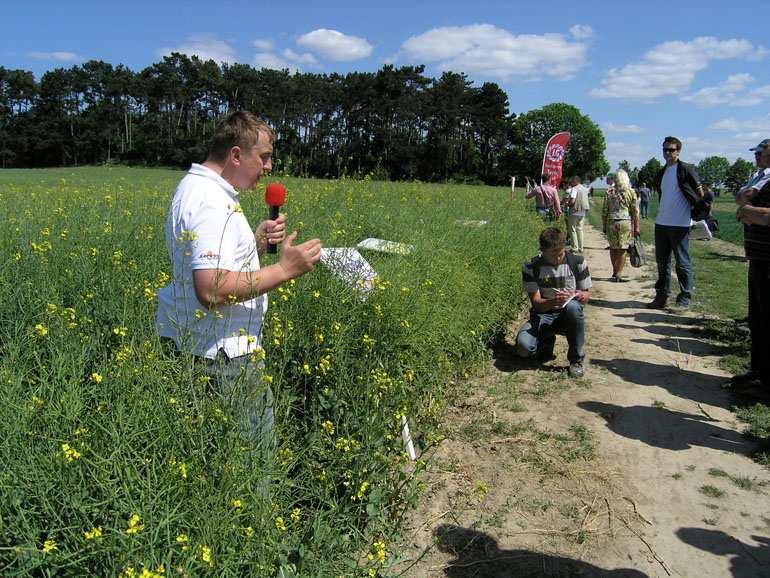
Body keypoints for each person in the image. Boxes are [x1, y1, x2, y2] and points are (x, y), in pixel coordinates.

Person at [155, 111, 322, 471]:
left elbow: (209, 267)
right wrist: (284, 269)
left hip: (196, 346)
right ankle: (256, 523)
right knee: (251, 466)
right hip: (223, 359)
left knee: (212, 463)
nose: (269, 167)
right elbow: (212, 290)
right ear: (235, 155)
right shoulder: (212, 203)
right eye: (263, 156)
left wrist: (254, 245)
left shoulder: (196, 188)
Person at [515, 228, 592, 378]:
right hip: (542, 315)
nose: (557, 259)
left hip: (569, 315)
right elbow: (536, 303)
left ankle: (576, 360)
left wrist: (582, 296)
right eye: (553, 255)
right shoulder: (531, 267)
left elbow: (587, 294)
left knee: (574, 307)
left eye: (561, 254)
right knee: (524, 348)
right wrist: (553, 301)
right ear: (542, 250)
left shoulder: (578, 262)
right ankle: (545, 342)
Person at [647, 136, 703, 309]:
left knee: (682, 262)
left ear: (678, 151)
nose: (667, 153)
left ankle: (684, 297)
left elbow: (701, 193)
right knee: (662, 263)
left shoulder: (686, 169)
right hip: (662, 223)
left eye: (671, 150)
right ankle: (661, 296)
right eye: (665, 149)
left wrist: (701, 215)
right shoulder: (662, 172)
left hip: (680, 224)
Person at [732, 138, 770, 391]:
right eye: (755, 153)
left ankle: (765, 380)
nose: (756, 156)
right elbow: (740, 198)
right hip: (758, 256)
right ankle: (757, 371)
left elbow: (766, 216)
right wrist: (748, 208)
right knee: (757, 318)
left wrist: (748, 212)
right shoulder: (758, 177)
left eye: (761, 152)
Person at [601, 169, 639, 282]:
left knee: (613, 247)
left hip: (611, 221)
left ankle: (614, 270)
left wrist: (604, 225)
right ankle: (619, 273)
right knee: (622, 248)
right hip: (625, 222)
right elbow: (635, 211)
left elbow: (604, 211)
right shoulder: (631, 192)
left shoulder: (609, 192)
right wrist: (636, 226)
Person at [564, 176, 590, 252]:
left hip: (574, 211)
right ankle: (581, 248)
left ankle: (575, 247)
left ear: (575, 181)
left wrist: (567, 204)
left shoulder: (574, 189)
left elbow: (572, 201)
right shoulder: (585, 189)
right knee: (580, 229)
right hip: (583, 212)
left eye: (572, 182)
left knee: (572, 229)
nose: (571, 183)